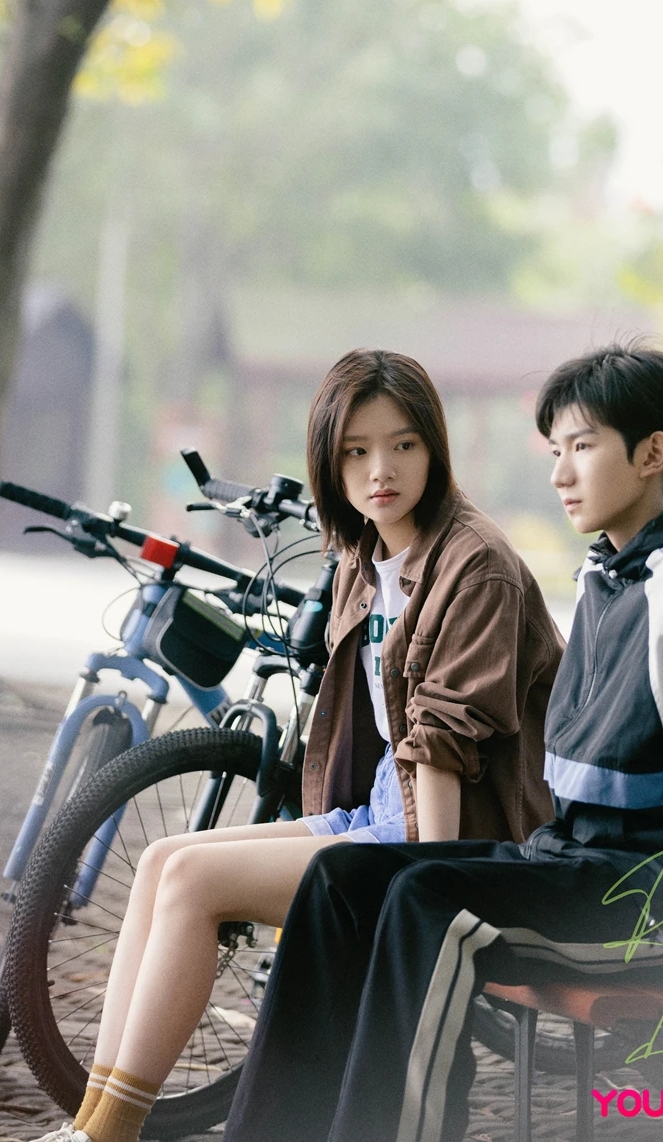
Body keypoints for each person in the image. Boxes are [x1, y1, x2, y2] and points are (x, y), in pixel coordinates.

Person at [221, 343, 663, 1142]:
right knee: (340, 878)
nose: (561, 474)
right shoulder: (614, 571)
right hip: (582, 866)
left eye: (582, 446)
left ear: (652, 454)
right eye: (554, 451)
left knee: (426, 902)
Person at [34, 348, 561, 1142]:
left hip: (459, 840)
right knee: (162, 861)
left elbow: (441, 746)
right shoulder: (365, 555)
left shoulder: (475, 566)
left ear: (434, 448)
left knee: (195, 884)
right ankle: (94, 1123)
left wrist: (427, 887)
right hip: (379, 812)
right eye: (356, 450)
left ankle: (108, 1134)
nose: (381, 469)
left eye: (404, 444)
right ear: (329, 461)